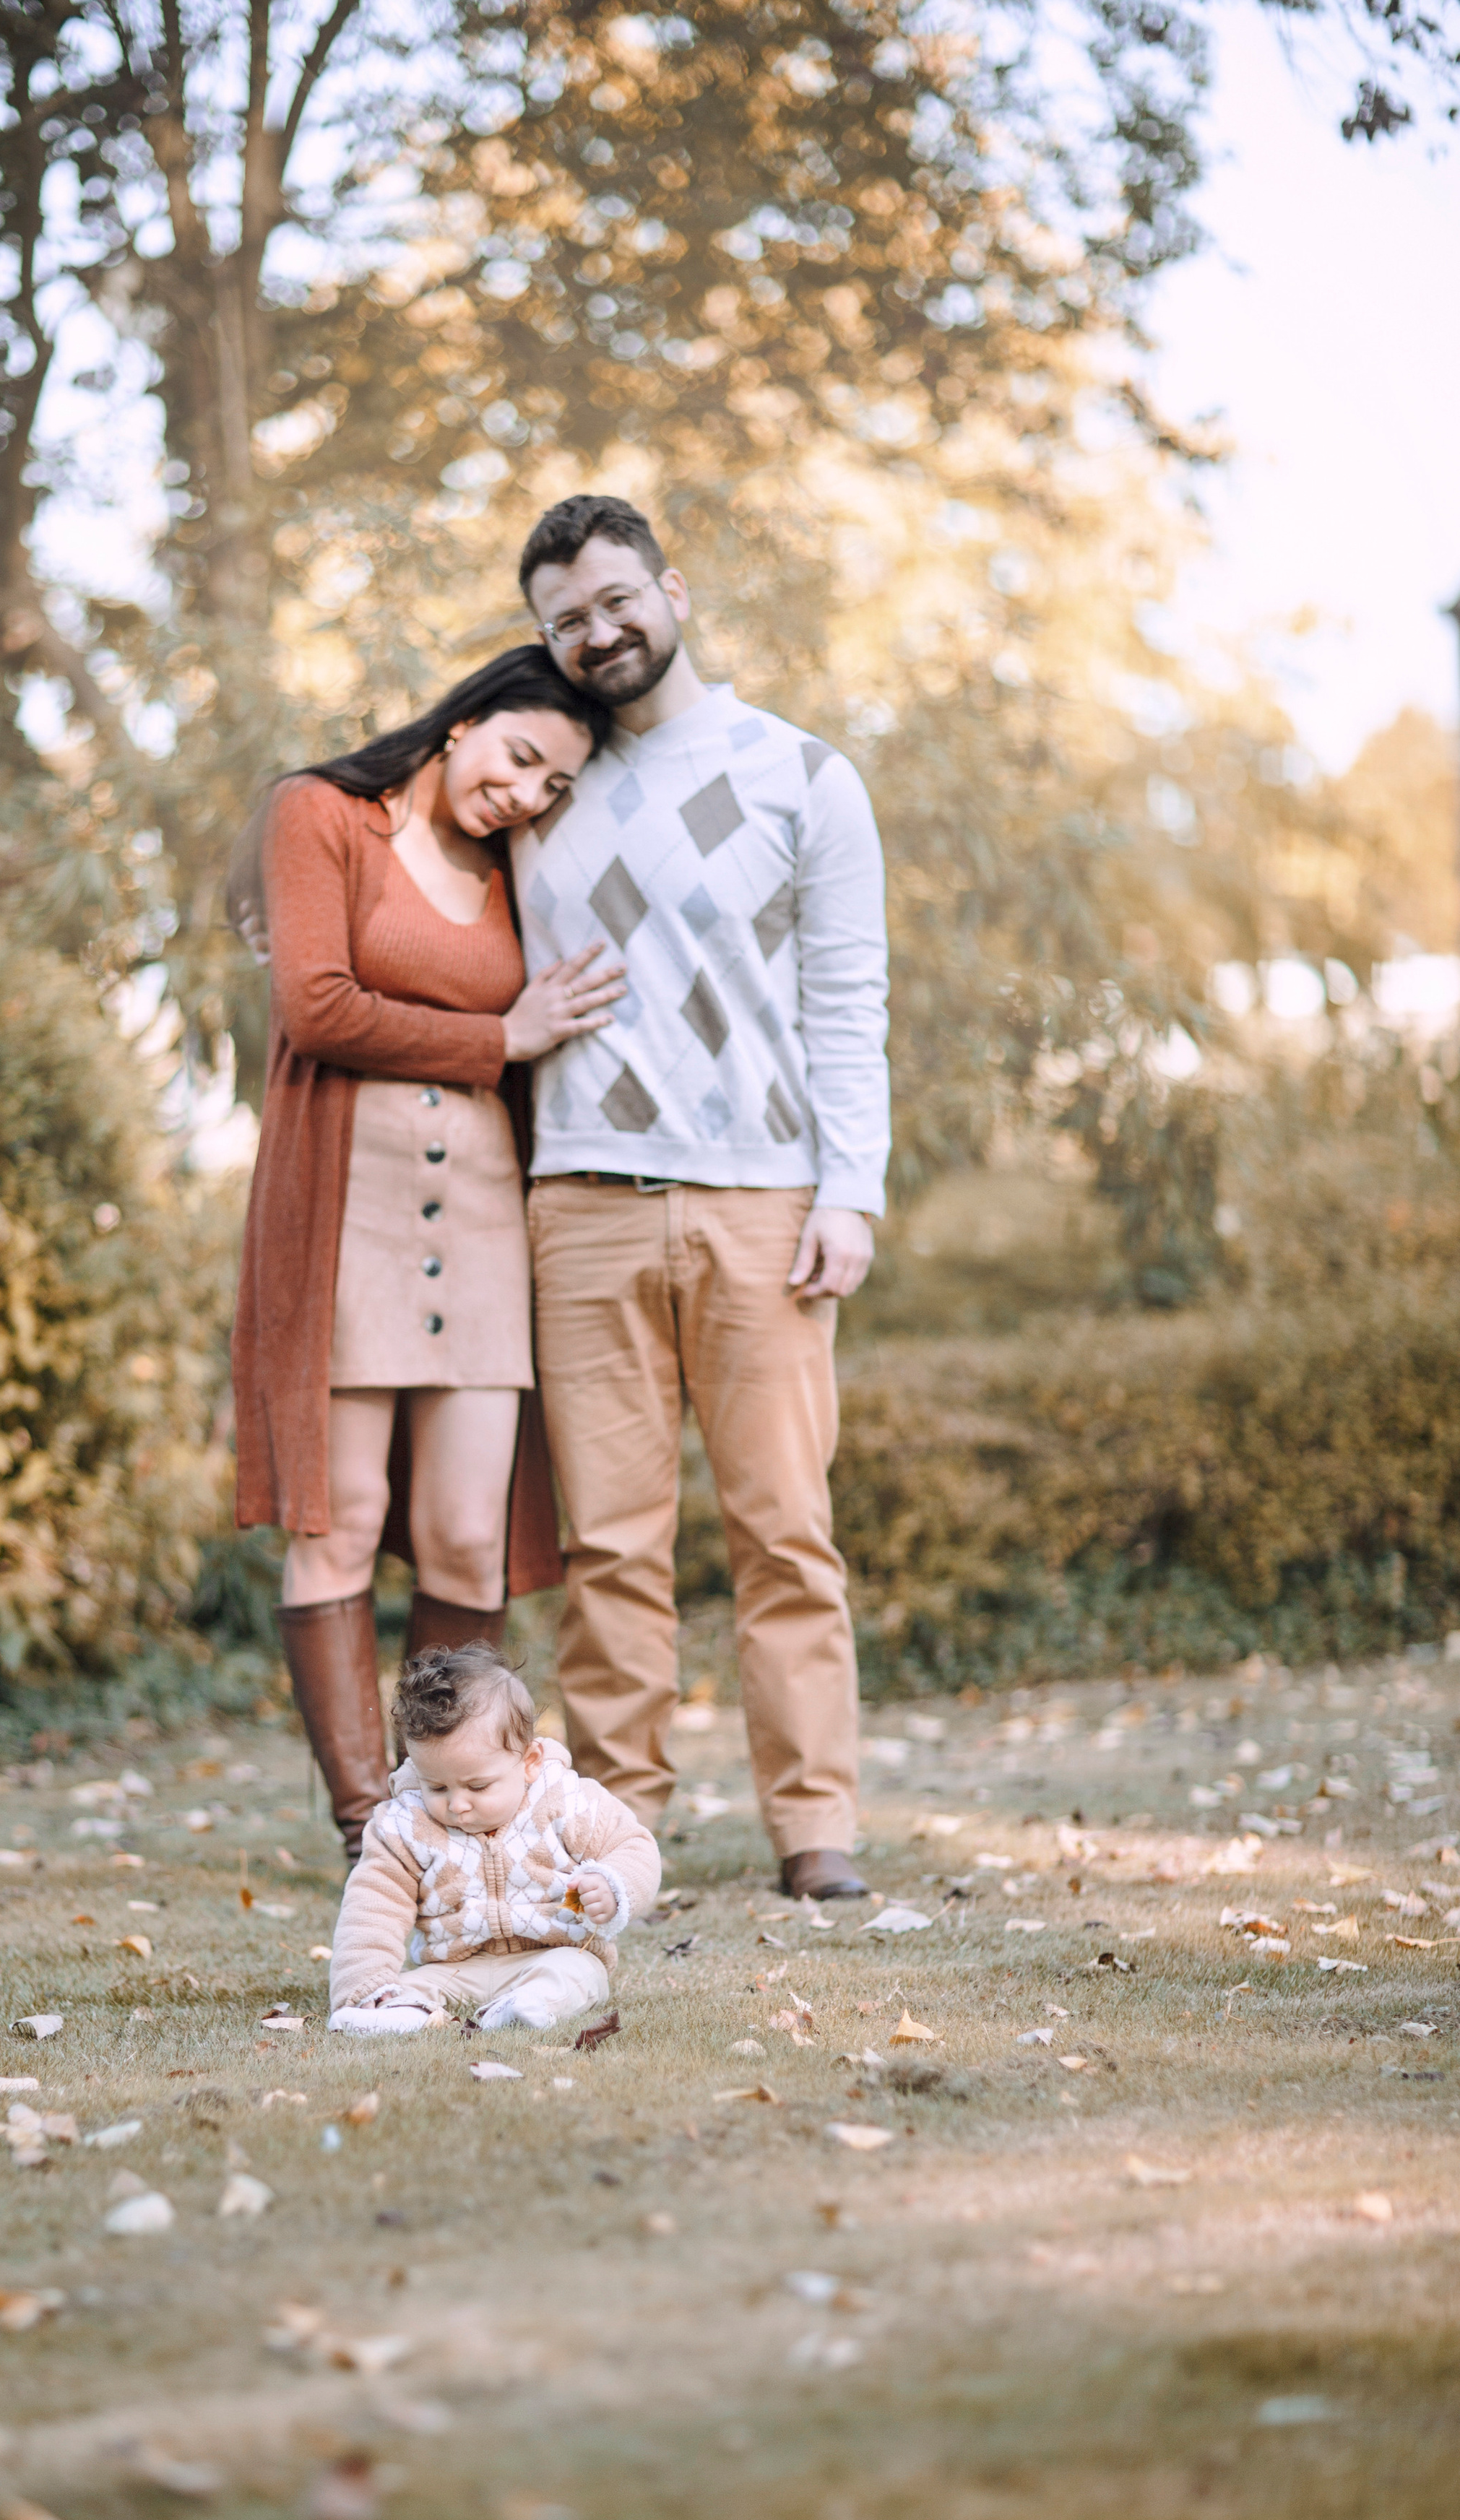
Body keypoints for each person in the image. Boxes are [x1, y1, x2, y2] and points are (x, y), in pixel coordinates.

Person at [509, 495, 891, 1903]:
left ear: (671, 588)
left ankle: (813, 1831)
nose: (597, 632)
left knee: (781, 1527)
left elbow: (846, 999)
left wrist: (848, 1191)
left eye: (615, 600)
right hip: (582, 1205)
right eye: (566, 620)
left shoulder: (800, 775)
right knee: (608, 1547)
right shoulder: (537, 786)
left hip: (762, 1203)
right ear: (544, 637)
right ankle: (620, 1845)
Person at [231, 648, 624, 1858]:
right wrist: (503, 1032)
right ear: (462, 724)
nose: (528, 796)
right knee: (339, 1521)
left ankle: (449, 1809)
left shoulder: (518, 871)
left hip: (489, 1223)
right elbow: (318, 1005)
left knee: (467, 1532)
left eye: (555, 785)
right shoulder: (322, 818)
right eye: (520, 759)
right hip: (349, 1211)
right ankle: (369, 1827)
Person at [327, 1642, 660, 2035]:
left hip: (553, 1952)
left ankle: (527, 2008)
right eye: (436, 1787)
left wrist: (612, 1884)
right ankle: (396, 2013)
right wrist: (366, 1985)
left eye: (478, 1786)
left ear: (530, 1762)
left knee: (578, 1974)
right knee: (407, 1988)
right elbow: (372, 1907)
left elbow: (634, 1846)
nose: (457, 1805)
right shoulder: (405, 1825)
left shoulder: (567, 1802)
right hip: (451, 1967)